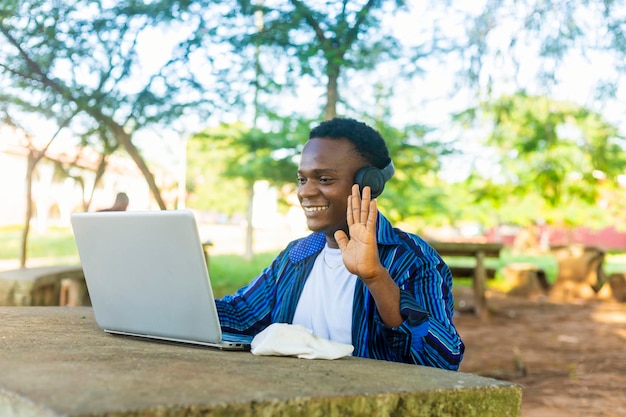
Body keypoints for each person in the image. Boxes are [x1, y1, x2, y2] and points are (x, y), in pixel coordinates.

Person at [216, 117, 464, 370]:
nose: (305, 192)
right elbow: (239, 315)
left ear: (369, 185)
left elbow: (444, 361)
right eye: (302, 180)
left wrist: (376, 279)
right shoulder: (296, 255)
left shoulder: (411, 259)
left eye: (324, 179)